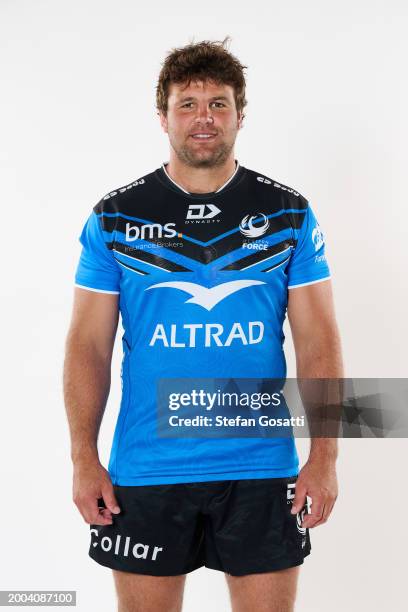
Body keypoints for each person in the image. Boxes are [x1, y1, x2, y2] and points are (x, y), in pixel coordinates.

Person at [63, 37, 343, 612]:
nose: (203, 118)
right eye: (187, 104)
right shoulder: (116, 217)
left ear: (241, 114)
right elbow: (88, 346)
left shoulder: (288, 212)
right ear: (162, 115)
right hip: (146, 468)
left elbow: (319, 339)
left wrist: (325, 457)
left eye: (218, 103)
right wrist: (83, 459)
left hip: (262, 468)